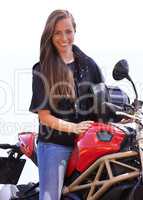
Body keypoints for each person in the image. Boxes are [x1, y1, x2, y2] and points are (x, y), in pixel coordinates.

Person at [29, 9, 104, 200]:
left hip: (88, 143)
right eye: (58, 32)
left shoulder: (90, 65)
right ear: (50, 35)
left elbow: (103, 101)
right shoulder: (43, 69)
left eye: (68, 31)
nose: (64, 37)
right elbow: (44, 117)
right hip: (56, 143)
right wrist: (74, 127)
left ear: (75, 31)